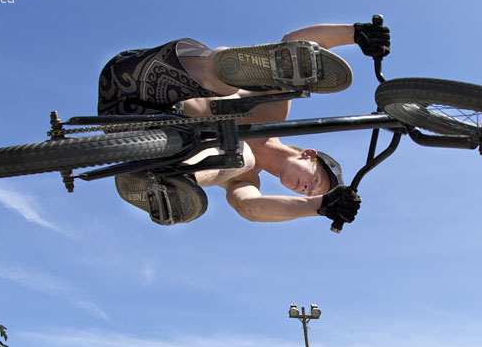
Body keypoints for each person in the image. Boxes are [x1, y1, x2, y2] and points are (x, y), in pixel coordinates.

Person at [98, 21, 390, 227]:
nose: (304, 188)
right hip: (148, 78)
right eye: (314, 181)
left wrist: (320, 207)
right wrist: (355, 33)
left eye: (307, 193)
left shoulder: (245, 179)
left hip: (128, 126)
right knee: (234, 84)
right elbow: (293, 44)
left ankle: (170, 179)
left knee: (243, 156)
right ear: (308, 154)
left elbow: (250, 208)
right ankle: (226, 68)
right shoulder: (274, 110)